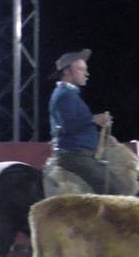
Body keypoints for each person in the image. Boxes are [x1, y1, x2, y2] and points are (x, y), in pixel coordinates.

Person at [48, 48, 128, 194]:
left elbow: (78, 127)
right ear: (67, 71)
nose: (86, 74)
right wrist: (94, 119)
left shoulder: (69, 94)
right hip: (74, 156)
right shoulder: (65, 95)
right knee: (115, 191)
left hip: (79, 154)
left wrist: (101, 138)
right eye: (81, 69)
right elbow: (69, 126)